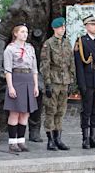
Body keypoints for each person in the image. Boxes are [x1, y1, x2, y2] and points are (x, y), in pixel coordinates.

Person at [0, 0, 90, 142]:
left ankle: (36, 129)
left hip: (46, 49)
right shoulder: (18, 5)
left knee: (42, 88)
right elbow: (0, 36)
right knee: (26, 91)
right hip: (24, 51)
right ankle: (19, 130)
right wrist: (0, 65)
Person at [40, 17, 75, 151]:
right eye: (60, 27)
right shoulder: (48, 44)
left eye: (64, 27)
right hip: (53, 81)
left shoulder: (67, 43)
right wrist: (47, 83)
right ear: (54, 28)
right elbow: (45, 64)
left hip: (65, 81)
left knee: (61, 111)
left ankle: (58, 139)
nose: (63, 29)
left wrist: (71, 80)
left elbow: (71, 62)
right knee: (51, 110)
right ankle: (50, 140)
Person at [74, 15, 95, 149]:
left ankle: (93, 137)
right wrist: (81, 84)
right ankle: (85, 138)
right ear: (87, 26)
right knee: (86, 110)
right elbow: (79, 65)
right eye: (93, 25)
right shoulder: (81, 41)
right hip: (88, 80)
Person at [3, 24, 39, 152]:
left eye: (26, 32)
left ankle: (21, 141)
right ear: (16, 33)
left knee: (25, 113)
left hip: (28, 80)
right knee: (15, 112)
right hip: (16, 80)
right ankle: (12, 142)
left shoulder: (30, 48)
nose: (25, 34)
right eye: (22, 32)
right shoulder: (10, 49)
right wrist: (10, 87)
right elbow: (7, 70)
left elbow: (34, 68)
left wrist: (36, 85)